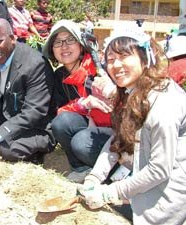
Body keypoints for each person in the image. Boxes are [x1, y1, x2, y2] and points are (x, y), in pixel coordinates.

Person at [78, 26, 186, 224]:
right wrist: (94, 177)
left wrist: (110, 193)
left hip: (168, 196)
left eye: (124, 56)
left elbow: (160, 170)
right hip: (142, 170)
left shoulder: (163, 103)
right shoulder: (136, 92)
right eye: (110, 59)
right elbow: (119, 138)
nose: (116, 65)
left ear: (146, 59)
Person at [0, 18, 55, 164]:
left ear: (12, 38)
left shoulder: (35, 64)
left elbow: (33, 113)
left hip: (36, 125)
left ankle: (37, 154)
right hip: (8, 116)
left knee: (8, 150)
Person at [42, 20, 114, 183]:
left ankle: (114, 173)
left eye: (70, 40)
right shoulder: (59, 76)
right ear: (52, 50)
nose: (64, 46)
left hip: (115, 134)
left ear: (81, 46)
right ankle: (81, 167)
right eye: (58, 42)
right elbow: (58, 111)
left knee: (81, 142)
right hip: (90, 128)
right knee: (61, 122)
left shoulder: (101, 70)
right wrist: (84, 103)